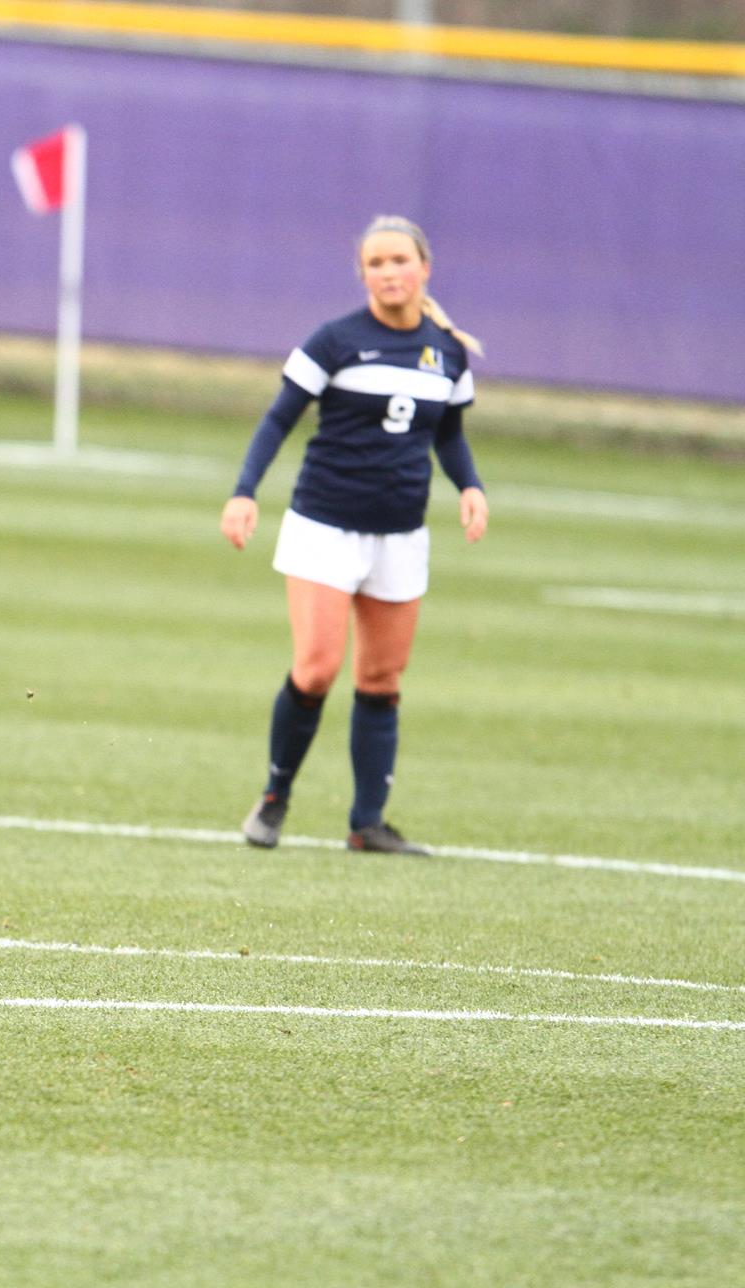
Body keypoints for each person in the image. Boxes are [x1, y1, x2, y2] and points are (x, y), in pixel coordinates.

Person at [222, 215, 488, 856]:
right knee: (317, 669)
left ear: (425, 268)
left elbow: (448, 434)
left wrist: (470, 486)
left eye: (400, 260)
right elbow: (278, 419)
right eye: (376, 263)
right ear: (362, 274)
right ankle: (274, 798)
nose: (389, 272)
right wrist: (244, 491)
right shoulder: (335, 341)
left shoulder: (447, 352)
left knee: (382, 679)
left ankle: (367, 824)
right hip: (325, 526)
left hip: (400, 533)